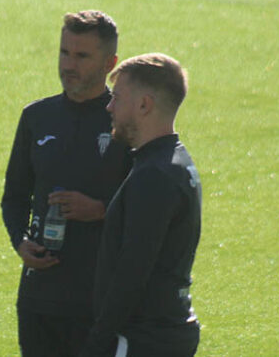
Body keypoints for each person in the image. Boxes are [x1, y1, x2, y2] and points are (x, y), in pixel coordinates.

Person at [1, 10, 132, 357]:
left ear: (110, 63)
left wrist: (101, 210)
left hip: (99, 303)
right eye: (64, 52)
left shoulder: (126, 122)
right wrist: (20, 241)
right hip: (39, 300)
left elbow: (147, 208)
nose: (68, 65)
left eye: (82, 56)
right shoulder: (36, 117)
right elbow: (14, 197)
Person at [79, 53, 201, 357]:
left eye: (117, 98)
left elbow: (133, 271)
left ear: (144, 105)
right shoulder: (173, 162)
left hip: (143, 340)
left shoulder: (155, 176)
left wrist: (98, 342)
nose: (109, 106)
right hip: (164, 333)